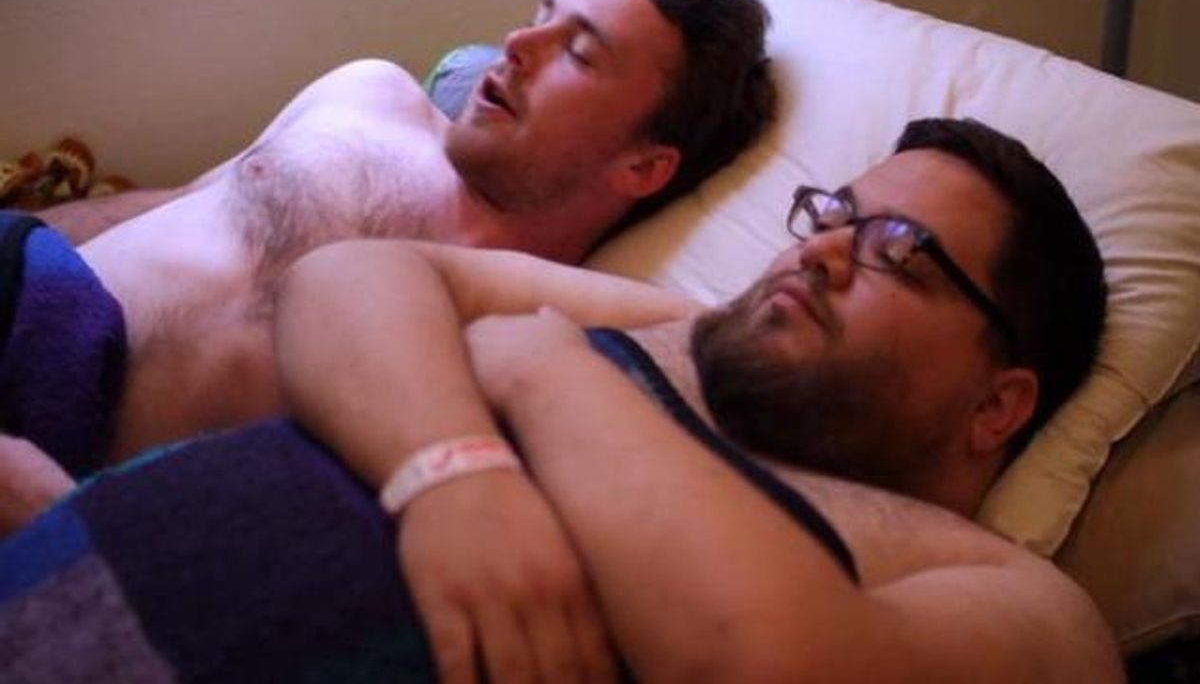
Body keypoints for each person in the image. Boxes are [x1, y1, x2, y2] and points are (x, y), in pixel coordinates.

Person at [0, 119, 1117, 681]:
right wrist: (452, 470)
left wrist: (540, 368)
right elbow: (350, 277)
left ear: (999, 404)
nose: (823, 249)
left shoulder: (1022, 602)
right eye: (831, 214)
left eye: (897, 249)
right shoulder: (683, 332)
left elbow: (768, 660)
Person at [0, 0, 774, 477]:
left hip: (68, 484)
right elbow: (172, 204)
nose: (517, 44)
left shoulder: (544, 332)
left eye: (576, 51)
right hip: (25, 301)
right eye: (542, 15)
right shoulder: (369, 95)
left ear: (644, 166)